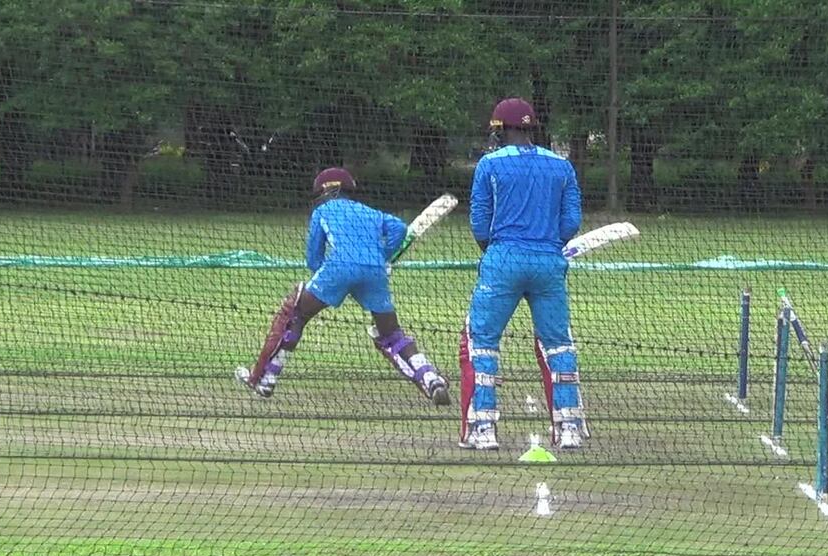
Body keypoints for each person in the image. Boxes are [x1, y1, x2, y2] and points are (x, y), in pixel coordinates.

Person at [235, 167, 450, 406]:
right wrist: (383, 256)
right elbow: (399, 228)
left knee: (295, 314)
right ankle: (431, 379)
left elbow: (313, 258)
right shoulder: (370, 212)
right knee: (391, 334)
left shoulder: (322, 211)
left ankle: (263, 380)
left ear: (324, 192)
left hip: (337, 268)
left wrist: (331, 283)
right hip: (375, 271)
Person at [458, 98, 588, 450]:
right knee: (558, 344)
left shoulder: (489, 165)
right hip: (549, 262)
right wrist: (549, 244)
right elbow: (571, 222)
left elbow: (479, 222)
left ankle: (483, 430)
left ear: (503, 130)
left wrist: (494, 251)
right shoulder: (561, 166)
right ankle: (570, 428)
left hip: (503, 259)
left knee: (482, 343)